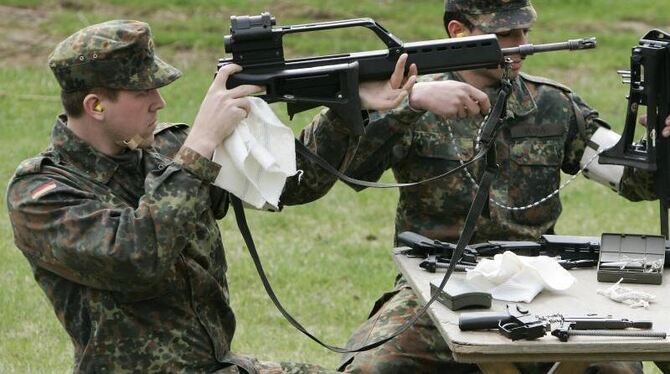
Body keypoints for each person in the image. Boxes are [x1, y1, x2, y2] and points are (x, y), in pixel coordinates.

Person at [4, 18, 443, 373]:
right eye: (143, 92)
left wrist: (350, 108)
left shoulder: (163, 152)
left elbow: (294, 181)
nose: (159, 102)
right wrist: (198, 149)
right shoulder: (42, 193)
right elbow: (137, 256)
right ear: (96, 106)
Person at [298, 1, 670, 373]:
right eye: (506, 34)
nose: (521, 44)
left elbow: (633, 182)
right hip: (436, 285)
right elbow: (344, 171)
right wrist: (410, 106)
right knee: (371, 367)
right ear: (458, 32)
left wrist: (661, 140)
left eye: (525, 32)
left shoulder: (554, 106)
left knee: (616, 367)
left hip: (542, 284)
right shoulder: (415, 103)